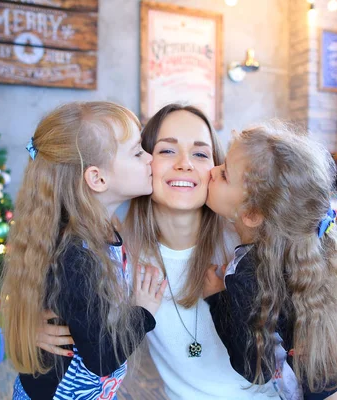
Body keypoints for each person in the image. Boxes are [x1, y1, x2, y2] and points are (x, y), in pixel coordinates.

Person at [38, 104, 278, 399]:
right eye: (167, 151)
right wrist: (33, 324)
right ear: (144, 160)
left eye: (201, 154)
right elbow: (39, 271)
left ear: (218, 171)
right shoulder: (116, 253)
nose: (185, 164)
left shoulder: (245, 249)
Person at [203, 124, 337, 399]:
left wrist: (216, 298)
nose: (211, 171)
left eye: (224, 174)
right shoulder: (310, 246)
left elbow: (254, 370)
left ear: (250, 214)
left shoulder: (245, 273)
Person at [0, 101, 167, 400]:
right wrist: (144, 311)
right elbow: (102, 358)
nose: (150, 158)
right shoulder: (75, 255)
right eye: (137, 152)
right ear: (97, 178)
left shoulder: (103, 230)